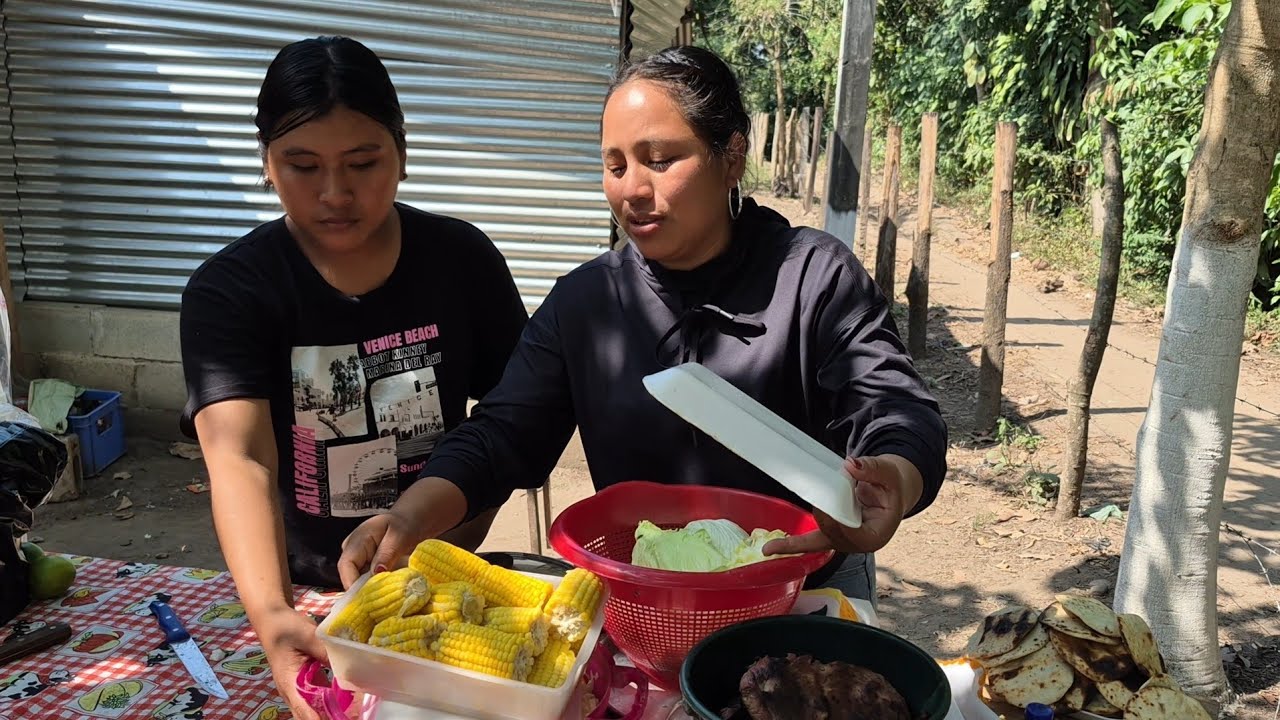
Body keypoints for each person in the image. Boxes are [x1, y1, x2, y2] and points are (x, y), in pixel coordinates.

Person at [337, 45, 948, 600]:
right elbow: (502, 433)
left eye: (659, 159)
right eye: (615, 164)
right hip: (648, 600)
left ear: (730, 156)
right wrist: (410, 514)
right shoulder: (588, 302)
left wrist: (892, 475)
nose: (631, 189)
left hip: (799, 589)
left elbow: (893, 405)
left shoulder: (812, 277)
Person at [178, 36, 526, 720]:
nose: (336, 194)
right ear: (267, 165)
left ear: (401, 153)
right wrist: (275, 615)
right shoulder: (232, 290)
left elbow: (512, 415)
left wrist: (455, 528)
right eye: (302, 165)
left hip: (443, 563)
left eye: (363, 163)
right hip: (304, 584)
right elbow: (240, 457)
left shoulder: (462, 259)